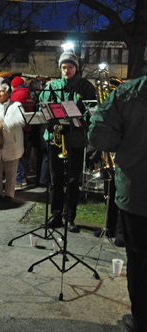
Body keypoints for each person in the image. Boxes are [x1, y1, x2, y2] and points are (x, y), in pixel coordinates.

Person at [88, 68, 147, 332]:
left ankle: (141, 321)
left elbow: (100, 136)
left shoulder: (126, 94)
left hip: (138, 192)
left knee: (139, 261)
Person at [39, 49, 96, 233]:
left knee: (73, 181)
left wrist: (80, 118)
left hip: (75, 140)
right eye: (63, 67)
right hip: (56, 140)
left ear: (76, 67)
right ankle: (56, 215)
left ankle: (70, 217)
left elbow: (91, 113)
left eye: (70, 66)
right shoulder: (51, 86)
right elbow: (43, 108)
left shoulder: (86, 86)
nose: (66, 70)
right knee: (55, 180)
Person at [9, 76, 34, 188]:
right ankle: (23, 178)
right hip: (27, 128)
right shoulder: (27, 93)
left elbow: (14, 112)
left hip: (20, 128)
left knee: (17, 154)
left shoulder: (17, 95)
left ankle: (18, 180)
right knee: (22, 153)